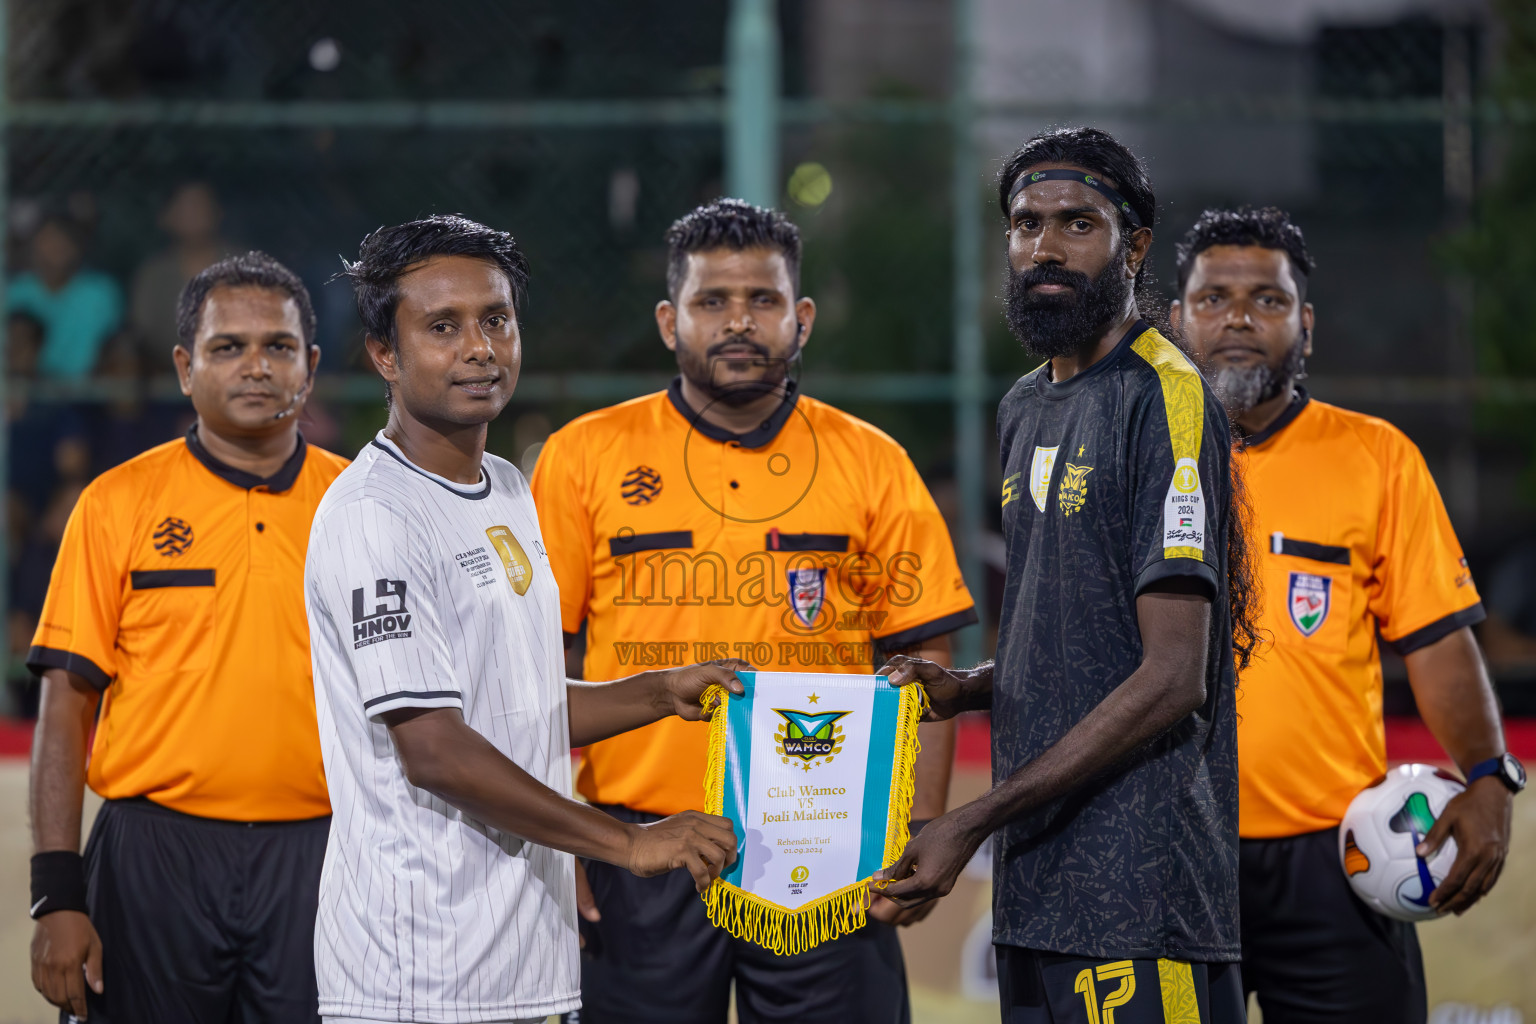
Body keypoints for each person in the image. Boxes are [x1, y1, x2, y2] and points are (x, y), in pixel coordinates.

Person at [529, 198, 978, 1024]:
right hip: (640, 845)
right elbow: (532, 671)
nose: (739, 321)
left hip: (829, 842)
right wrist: (565, 836)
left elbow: (928, 657)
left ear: (800, 318)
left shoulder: (874, 463)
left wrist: (919, 825)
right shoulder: (582, 456)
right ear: (670, 320)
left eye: (762, 300)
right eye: (712, 301)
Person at [310, 214, 745, 1023]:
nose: (480, 347)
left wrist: (656, 692)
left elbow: (516, 704)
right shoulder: (375, 516)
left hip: (516, 955)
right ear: (384, 355)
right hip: (420, 972)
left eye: (497, 319)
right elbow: (434, 749)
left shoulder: (506, 486)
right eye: (443, 327)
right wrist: (629, 843)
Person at [872, 126, 1259, 1023]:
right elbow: (1083, 643)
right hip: (1038, 886)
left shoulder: (1165, 395)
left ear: (1134, 245)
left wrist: (969, 821)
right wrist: (964, 687)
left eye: (1077, 224)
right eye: (1025, 224)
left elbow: (1171, 676)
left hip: (1138, 897)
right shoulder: (1024, 404)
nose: (1044, 247)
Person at [1170, 205, 1520, 1023]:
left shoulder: (1375, 457)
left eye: (1269, 299)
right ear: (1178, 319)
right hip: (1170, 851)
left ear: (1307, 323)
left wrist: (1488, 776)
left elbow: (1436, 640)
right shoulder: (1131, 456)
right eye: (1213, 298)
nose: (1240, 319)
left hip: (1339, 854)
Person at [27, 251, 348, 1022]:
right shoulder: (116, 503)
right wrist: (56, 895)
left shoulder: (361, 506)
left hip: (323, 855)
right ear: (184, 366)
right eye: (227, 347)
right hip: (152, 858)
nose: (255, 366)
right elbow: (65, 706)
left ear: (310, 365)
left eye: (277, 347)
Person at [131, 182, 236, 360]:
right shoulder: (154, 275)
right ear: (166, 217)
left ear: (217, 212)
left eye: (200, 205)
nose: (193, 214)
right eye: (185, 206)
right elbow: (141, 334)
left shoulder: (242, 266)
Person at [9, 216, 123, 379]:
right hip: (24, 392)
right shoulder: (15, 292)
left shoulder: (101, 293)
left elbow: (114, 348)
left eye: (64, 240)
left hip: (87, 395)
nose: (55, 248)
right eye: (47, 240)